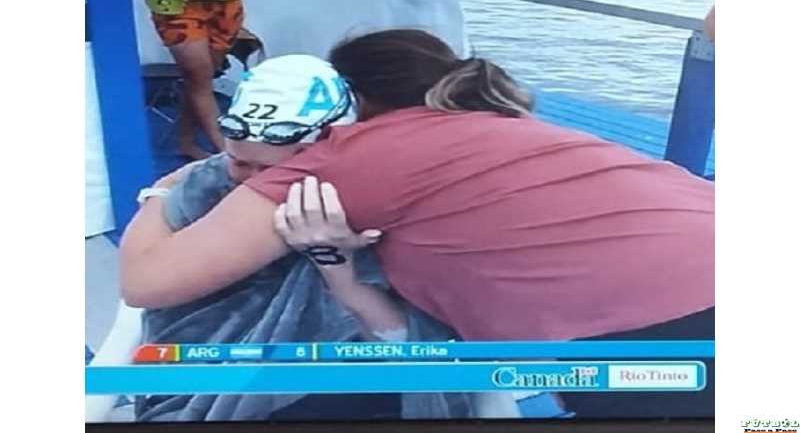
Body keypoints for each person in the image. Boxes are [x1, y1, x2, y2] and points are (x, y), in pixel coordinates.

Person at [120, 29, 714, 417]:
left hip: (655, 333)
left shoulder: (341, 156)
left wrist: (158, 194)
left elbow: (148, 280)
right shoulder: (510, 126)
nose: (240, 173)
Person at [145, 0, 244, 159]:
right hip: (176, 3)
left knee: (199, 81)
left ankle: (187, 142)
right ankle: (229, 156)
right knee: (200, 81)